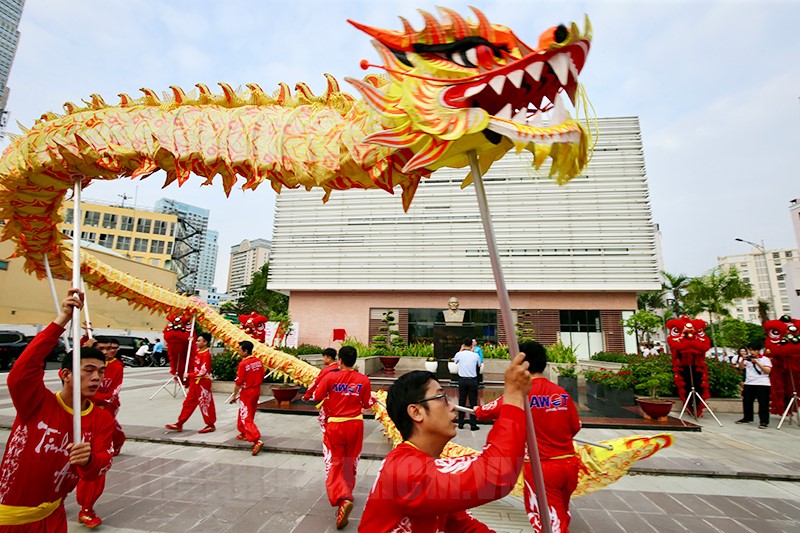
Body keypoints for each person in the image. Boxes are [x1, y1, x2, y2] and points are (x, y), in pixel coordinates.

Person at [358, 352, 532, 531]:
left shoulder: (428, 471)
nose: (451, 407)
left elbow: (463, 527)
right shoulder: (403, 470)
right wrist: (513, 398)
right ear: (416, 412)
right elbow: (496, 474)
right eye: (442, 398)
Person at [0, 289, 114, 531]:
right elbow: (21, 373)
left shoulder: (101, 419)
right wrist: (62, 319)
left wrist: (90, 460)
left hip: (53, 517)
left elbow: (103, 464)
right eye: (88, 370)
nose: (96, 377)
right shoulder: (37, 402)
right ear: (65, 374)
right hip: (10, 519)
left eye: (101, 372)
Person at [475, 340, 582, 532]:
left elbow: (485, 412)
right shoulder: (561, 393)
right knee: (560, 513)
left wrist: (477, 410)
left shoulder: (521, 393)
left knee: (546, 521)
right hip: (569, 464)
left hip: (541, 469)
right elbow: (574, 427)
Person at [311, 345, 374, 530]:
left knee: (334, 462)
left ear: (339, 360)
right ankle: (348, 491)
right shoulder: (363, 379)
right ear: (355, 360)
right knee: (350, 460)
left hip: (336, 424)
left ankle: (342, 497)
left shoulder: (330, 376)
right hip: (355, 424)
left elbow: (317, 397)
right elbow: (367, 403)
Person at [75, 336, 126, 528]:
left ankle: (86, 508)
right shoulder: (81, 362)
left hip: (103, 413)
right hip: (79, 412)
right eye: (102, 348)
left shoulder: (117, 367)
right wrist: (83, 344)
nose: (107, 352)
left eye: (112, 348)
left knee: (97, 459)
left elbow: (112, 395)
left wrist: (94, 398)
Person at [165, 332, 217, 433]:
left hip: (203, 383)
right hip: (195, 383)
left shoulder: (206, 355)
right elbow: (190, 353)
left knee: (205, 404)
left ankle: (210, 424)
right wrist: (189, 342)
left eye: (198, 341)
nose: (197, 342)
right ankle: (179, 423)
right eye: (196, 341)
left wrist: (190, 375)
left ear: (205, 342)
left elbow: (203, 371)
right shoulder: (197, 352)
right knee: (188, 403)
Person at [229, 340, 265, 455]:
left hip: (247, 391)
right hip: (256, 389)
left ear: (245, 351)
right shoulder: (258, 361)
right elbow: (262, 375)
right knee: (248, 412)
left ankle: (256, 440)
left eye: (240, 350)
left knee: (246, 417)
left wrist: (234, 395)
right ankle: (244, 432)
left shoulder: (243, 364)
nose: (238, 352)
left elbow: (239, 382)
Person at [303, 347, 339, 434]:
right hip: (342, 398)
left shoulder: (326, 371)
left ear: (329, 358)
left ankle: (329, 437)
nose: (323, 359)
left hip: (329, 400)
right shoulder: (341, 368)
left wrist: (307, 396)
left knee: (323, 419)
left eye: (324, 357)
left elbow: (316, 383)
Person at [736, 341, 772, 429]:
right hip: (749, 382)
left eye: (754, 350)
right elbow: (741, 368)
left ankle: (764, 421)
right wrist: (742, 360)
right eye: (750, 350)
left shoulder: (765, 359)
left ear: (758, 350)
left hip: (762, 383)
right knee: (747, 401)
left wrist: (757, 363)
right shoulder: (747, 359)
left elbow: (767, 371)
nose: (752, 352)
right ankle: (747, 418)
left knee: (763, 403)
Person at [454, 338, 481, 430]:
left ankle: (461, 423)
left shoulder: (459, 354)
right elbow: (479, 365)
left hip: (462, 380)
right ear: (471, 345)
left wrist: (460, 350)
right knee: (473, 402)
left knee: (462, 401)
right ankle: (473, 424)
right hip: (472, 380)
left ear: (463, 344)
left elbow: (455, 361)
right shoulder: (475, 355)